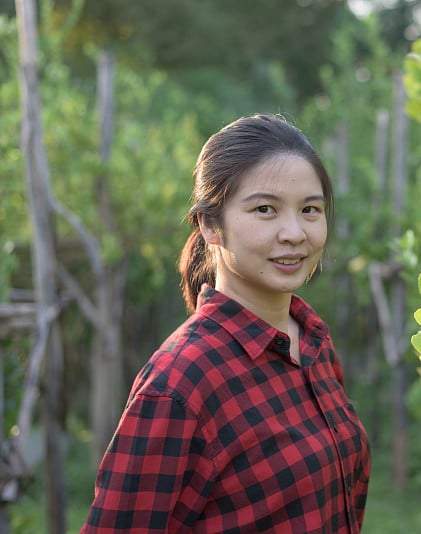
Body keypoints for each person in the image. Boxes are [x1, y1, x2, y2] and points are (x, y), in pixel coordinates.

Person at [81, 114, 371, 533]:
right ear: (210, 224)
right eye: (265, 209)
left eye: (310, 209)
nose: (294, 233)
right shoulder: (180, 384)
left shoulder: (312, 343)